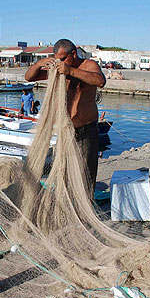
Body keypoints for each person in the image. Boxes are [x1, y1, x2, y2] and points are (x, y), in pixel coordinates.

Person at [25, 38, 106, 195]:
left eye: (63, 58)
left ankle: (85, 210)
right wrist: (39, 64)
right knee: (64, 172)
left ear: (73, 53)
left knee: (85, 175)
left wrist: (70, 70)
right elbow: (29, 77)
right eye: (57, 59)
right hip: (65, 131)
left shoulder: (88, 65)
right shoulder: (57, 68)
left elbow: (100, 81)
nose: (59, 62)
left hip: (85, 131)